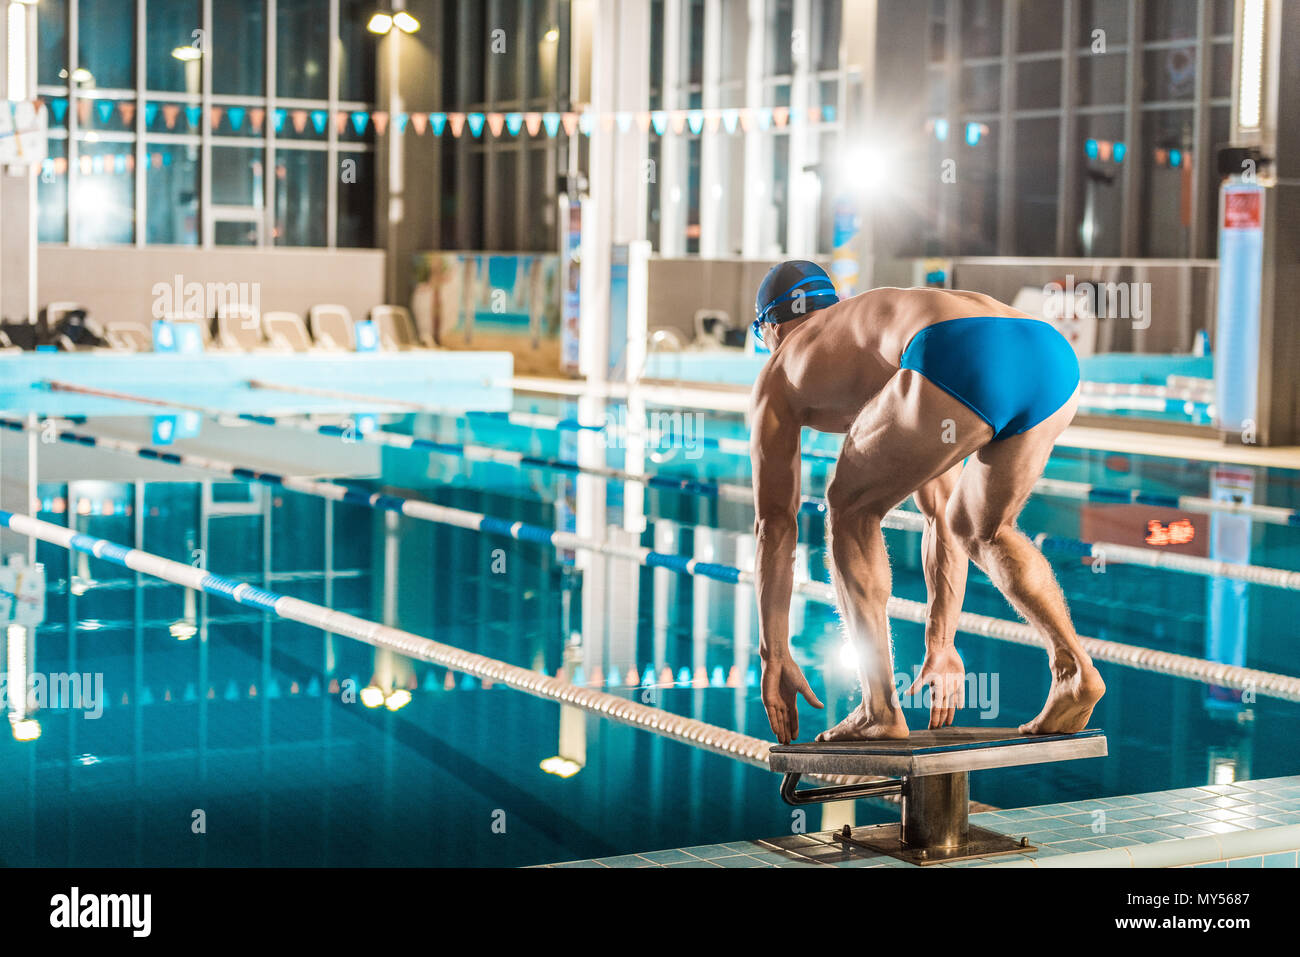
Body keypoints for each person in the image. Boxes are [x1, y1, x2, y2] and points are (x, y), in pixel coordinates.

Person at [748, 260, 1105, 745]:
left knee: (850, 508)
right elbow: (939, 510)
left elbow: (774, 524)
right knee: (981, 528)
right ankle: (1074, 670)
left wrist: (775, 653)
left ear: (770, 326)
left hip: (956, 352)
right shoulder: (869, 331)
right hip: (1048, 355)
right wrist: (940, 644)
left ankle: (880, 710)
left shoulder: (780, 368)